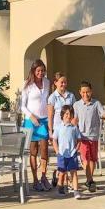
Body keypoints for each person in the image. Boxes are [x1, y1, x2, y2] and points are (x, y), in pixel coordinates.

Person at [72, 80, 105, 193]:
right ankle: (90, 180)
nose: (85, 94)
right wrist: (69, 129)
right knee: (85, 159)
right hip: (82, 137)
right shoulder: (76, 105)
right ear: (80, 92)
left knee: (92, 159)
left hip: (93, 136)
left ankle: (89, 180)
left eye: (87, 92)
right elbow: (75, 119)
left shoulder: (96, 104)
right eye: (83, 92)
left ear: (91, 92)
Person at [19, 59, 51, 191]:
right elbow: (22, 105)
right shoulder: (27, 84)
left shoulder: (47, 82)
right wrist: (31, 117)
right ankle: (35, 180)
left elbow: (48, 101)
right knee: (33, 151)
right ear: (33, 71)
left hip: (43, 120)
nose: (40, 73)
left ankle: (44, 177)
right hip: (30, 121)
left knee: (44, 149)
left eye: (42, 70)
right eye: (38, 70)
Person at [47, 73, 75, 186]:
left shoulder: (71, 96)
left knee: (70, 154)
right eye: (61, 82)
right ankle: (64, 179)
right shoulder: (52, 97)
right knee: (62, 155)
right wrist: (50, 131)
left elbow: (74, 114)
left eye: (65, 82)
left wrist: (74, 127)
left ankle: (61, 175)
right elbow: (50, 116)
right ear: (55, 83)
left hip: (69, 130)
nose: (63, 84)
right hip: (58, 130)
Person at [53, 104, 83, 199]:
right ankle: (60, 187)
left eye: (70, 114)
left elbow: (79, 139)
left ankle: (76, 191)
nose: (68, 116)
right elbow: (54, 140)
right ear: (62, 115)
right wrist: (57, 151)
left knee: (73, 172)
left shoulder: (74, 128)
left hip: (72, 154)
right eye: (66, 114)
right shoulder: (58, 127)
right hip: (62, 154)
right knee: (62, 173)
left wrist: (76, 149)